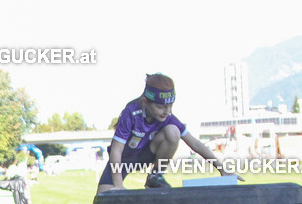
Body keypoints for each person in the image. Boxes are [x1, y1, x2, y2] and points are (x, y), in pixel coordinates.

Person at [97, 74, 235, 193]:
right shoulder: (131, 113)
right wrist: (119, 185)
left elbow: (195, 143)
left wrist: (222, 169)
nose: (167, 111)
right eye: (160, 106)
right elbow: (116, 149)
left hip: (146, 155)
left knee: (173, 131)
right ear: (145, 102)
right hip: (121, 161)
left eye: (170, 106)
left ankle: (155, 176)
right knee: (103, 199)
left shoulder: (168, 117)